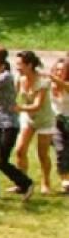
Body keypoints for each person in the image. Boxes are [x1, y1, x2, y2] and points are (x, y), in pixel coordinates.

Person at [14, 50, 56, 199]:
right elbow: (12, 95)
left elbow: (37, 105)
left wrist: (18, 108)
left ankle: (46, 183)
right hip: (28, 118)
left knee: (42, 154)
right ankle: (23, 183)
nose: (17, 67)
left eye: (20, 64)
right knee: (20, 150)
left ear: (29, 65)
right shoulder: (19, 78)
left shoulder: (42, 82)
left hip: (45, 120)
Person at [47, 58, 69, 193]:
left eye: (62, 70)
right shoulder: (50, 85)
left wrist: (54, 79)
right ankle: (66, 181)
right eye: (57, 69)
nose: (59, 72)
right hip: (56, 122)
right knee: (61, 150)